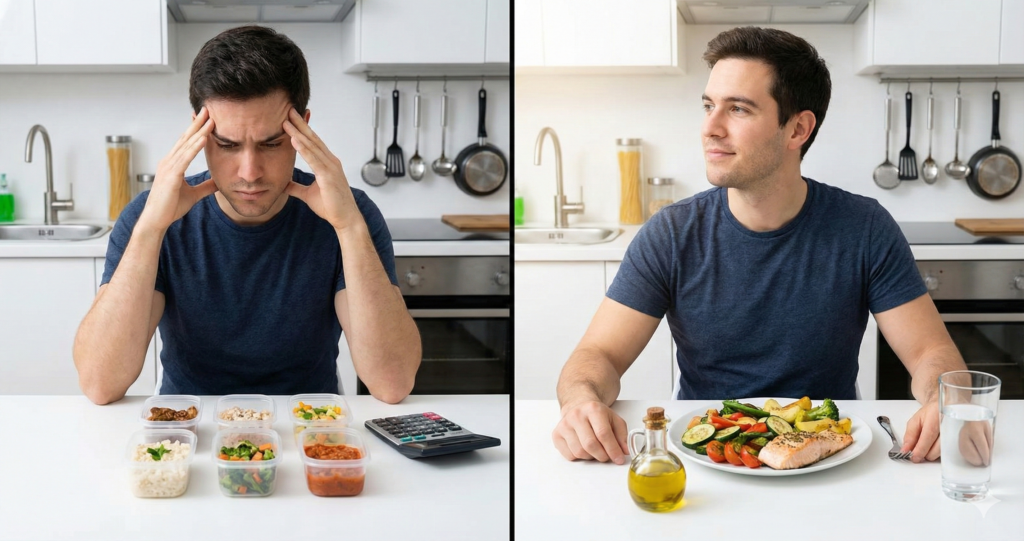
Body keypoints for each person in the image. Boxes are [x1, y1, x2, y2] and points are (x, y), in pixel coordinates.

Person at [552, 27, 967, 466]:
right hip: (707, 458)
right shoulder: (671, 233)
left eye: (739, 109)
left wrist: (945, 401)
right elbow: (598, 355)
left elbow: (929, 352)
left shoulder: (864, 228)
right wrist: (581, 401)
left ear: (798, 129)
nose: (710, 128)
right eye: (709, 106)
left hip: (828, 458)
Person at [73, 26, 421, 404]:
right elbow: (100, 384)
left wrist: (349, 227)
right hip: (190, 431)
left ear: (303, 126)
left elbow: (393, 382)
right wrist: (151, 230)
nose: (249, 172)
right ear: (198, 132)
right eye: (227, 144)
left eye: (272, 143)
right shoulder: (150, 216)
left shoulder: (350, 214)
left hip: (310, 430)